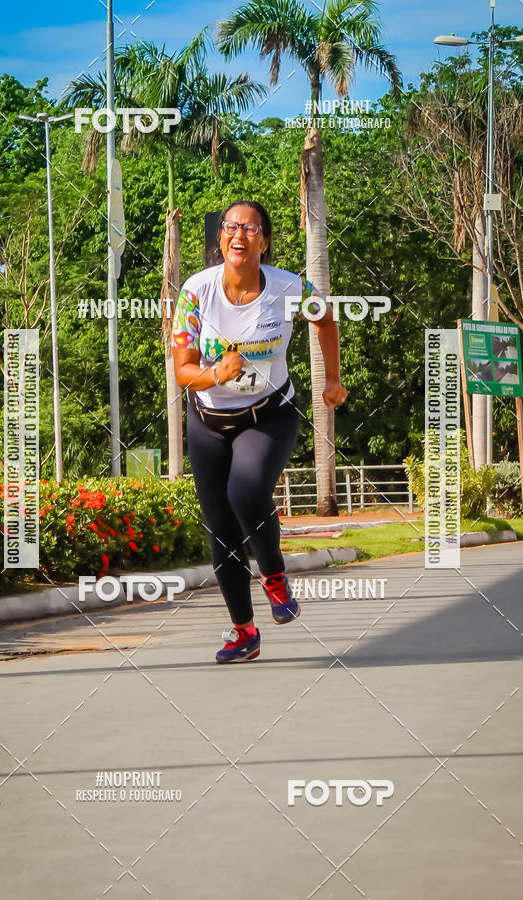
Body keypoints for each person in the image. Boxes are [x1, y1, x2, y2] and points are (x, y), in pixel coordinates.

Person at [172, 200, 347, 663]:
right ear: (220, 240)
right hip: (208, 421)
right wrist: (216, 375)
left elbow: (324, 318)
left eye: (250, 228)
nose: (239, 235)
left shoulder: (289, 287)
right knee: (221, 531)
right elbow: (183, 371)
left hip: (269, 413)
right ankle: (243, 631)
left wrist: (332, 378)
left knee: (247, 492)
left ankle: (273, 575)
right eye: (230, 226)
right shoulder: (195, 292)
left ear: (263, 242)